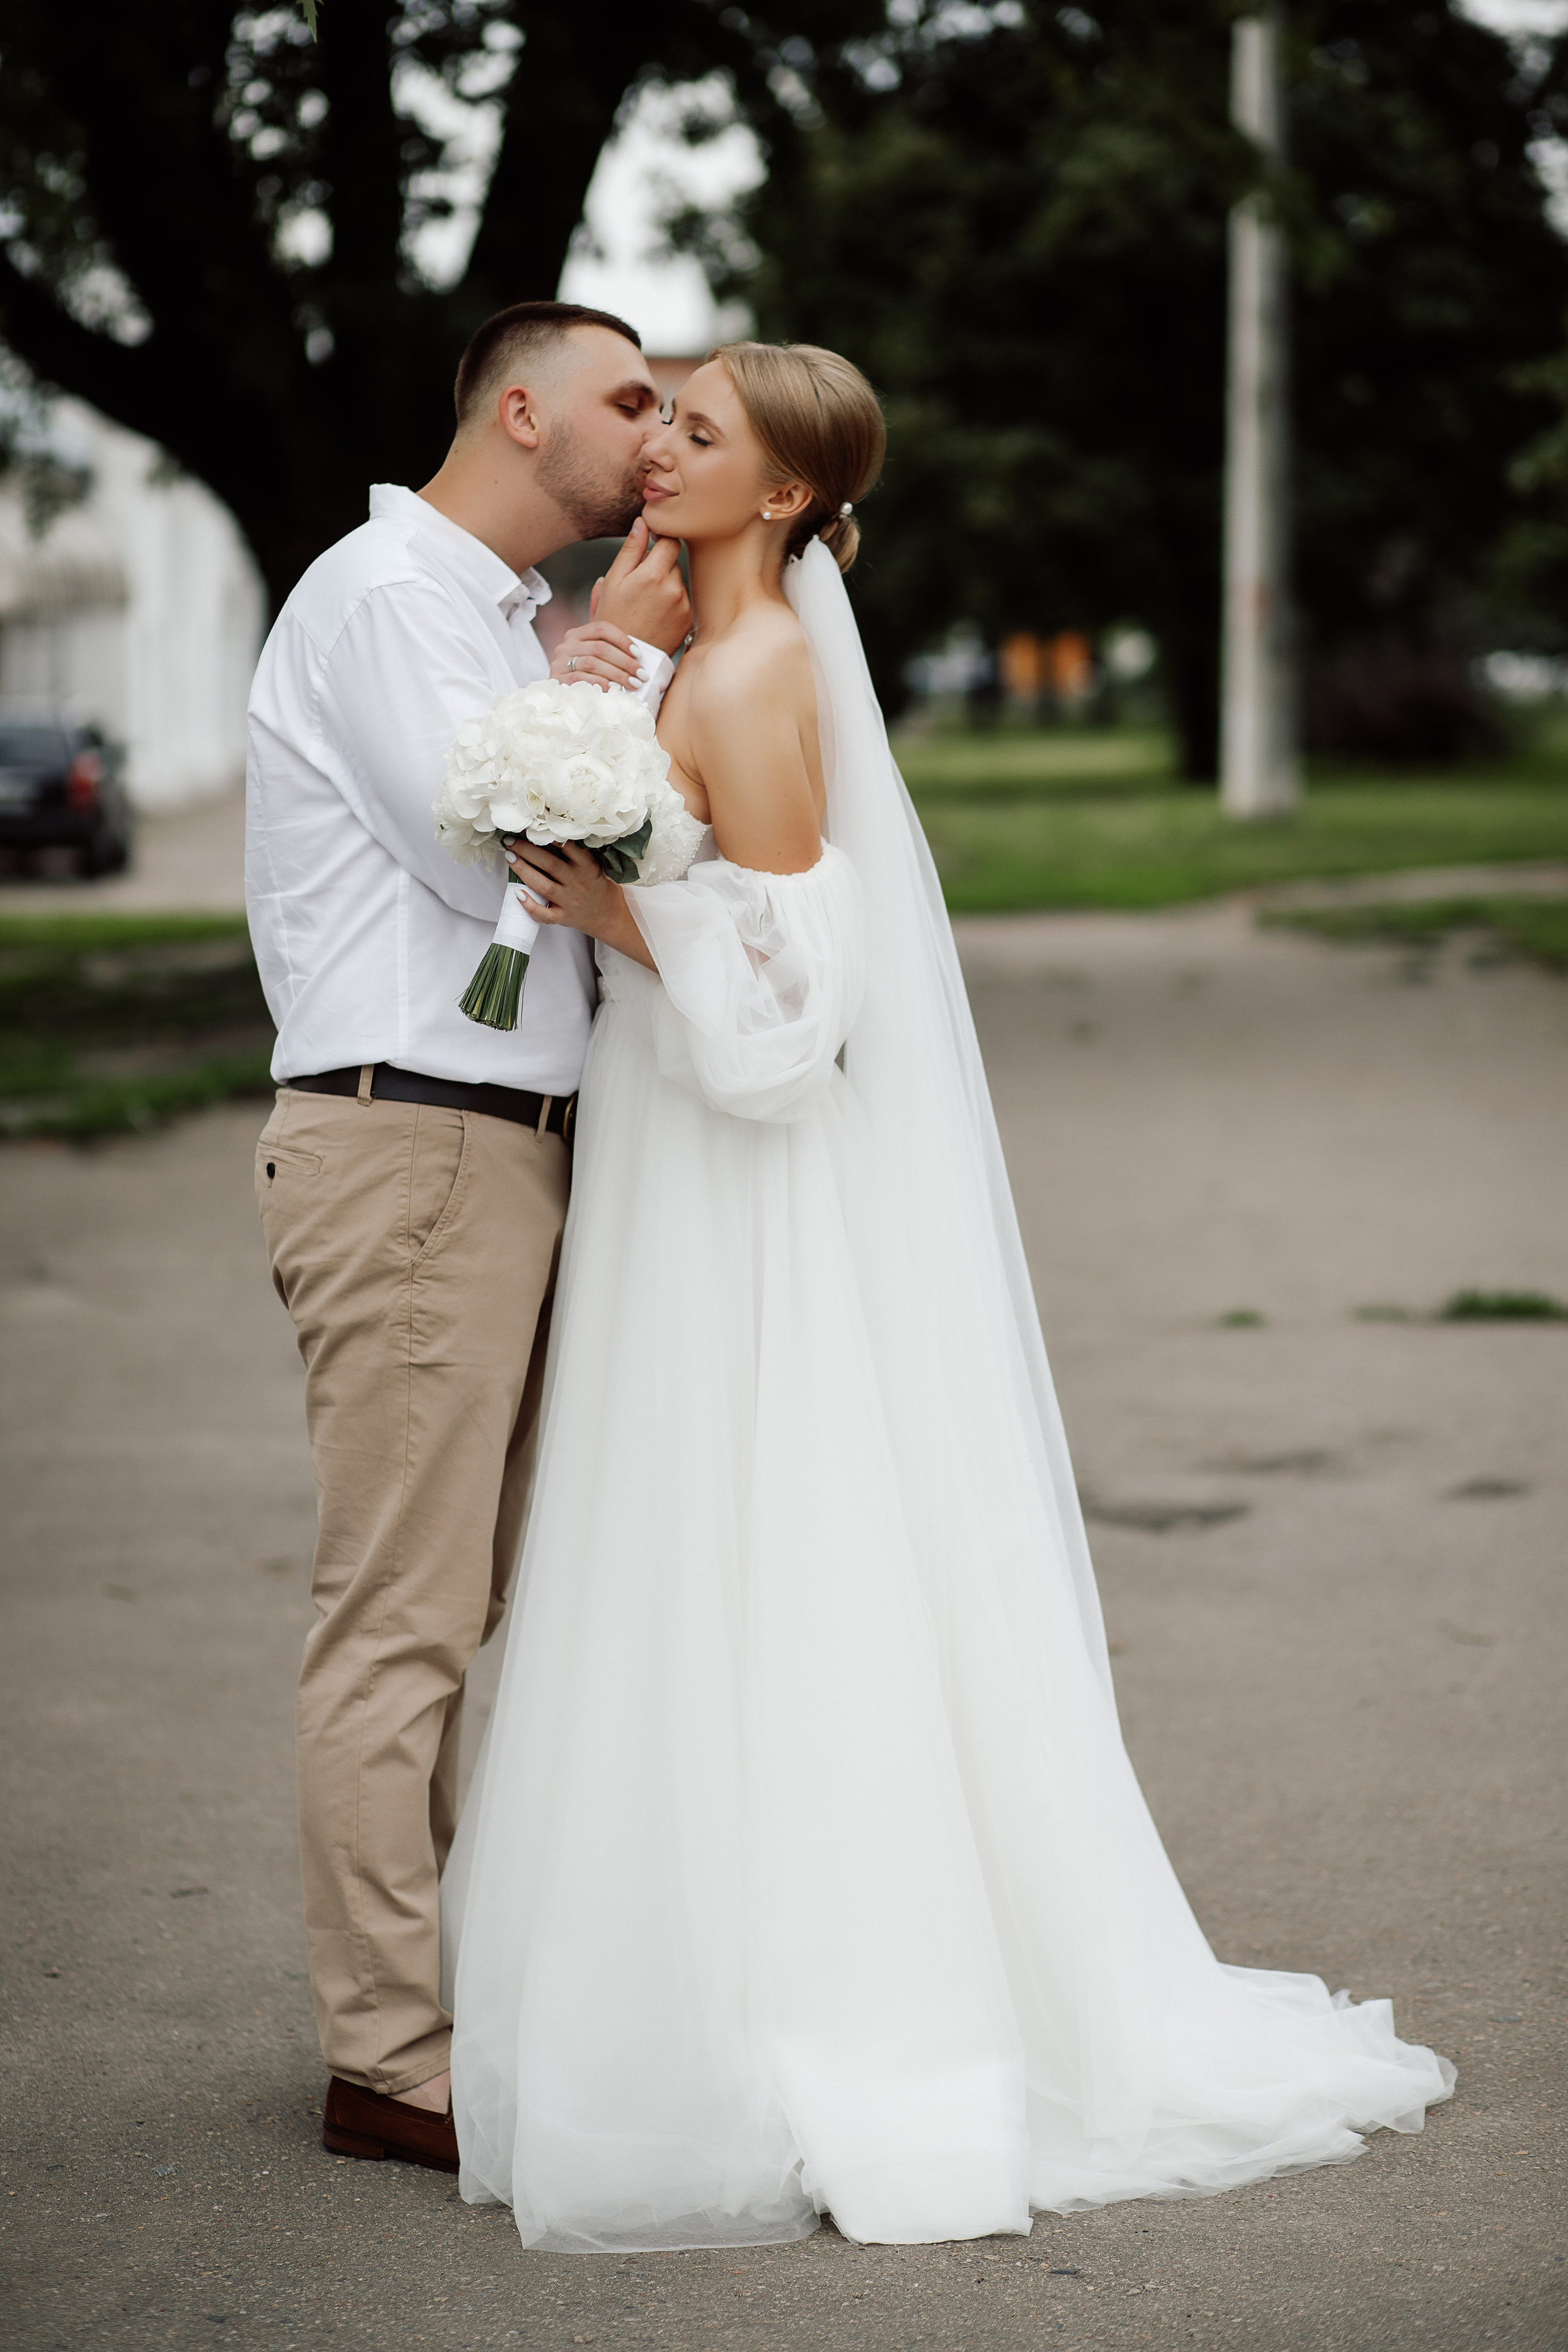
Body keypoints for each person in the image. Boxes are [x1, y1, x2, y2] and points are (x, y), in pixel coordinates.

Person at [439, 341, 1455, 2251]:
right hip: (683, 1155)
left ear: (797, 498)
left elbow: (801, 1018)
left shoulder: (756, 672)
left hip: (743, 1175)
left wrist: (621, 913)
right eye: (659, 420)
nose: (661, 450)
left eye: (705, 434)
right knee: (710, 1551)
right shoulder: (692, 646)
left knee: (771, 1548)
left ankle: (808, 2013)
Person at [246, 301, 691, 2174]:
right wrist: (638, 667)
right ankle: (392, 2060)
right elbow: (491, 841)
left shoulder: (501, 618)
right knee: (403, 1622)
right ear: (522, 411)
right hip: (413, 1141)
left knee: (466, 1604)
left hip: (500, 1147)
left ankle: (429, 2013)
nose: (657, 433)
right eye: (628, 400)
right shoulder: (383, 594)